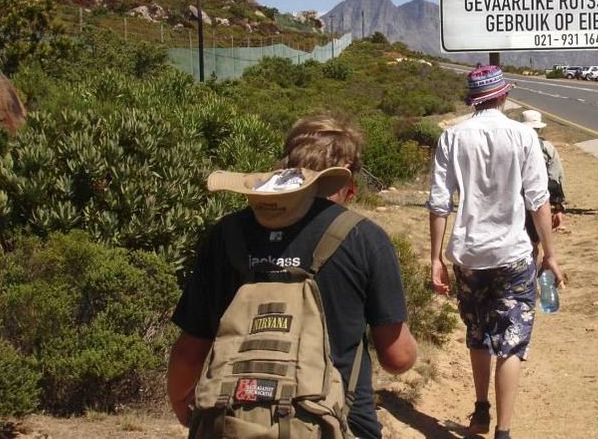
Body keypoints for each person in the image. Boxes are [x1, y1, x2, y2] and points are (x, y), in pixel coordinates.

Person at [167, 114, 418, 439]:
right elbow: (397, 357)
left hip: (231, 421)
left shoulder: (226, 235)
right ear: (346, 184)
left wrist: (181, 403)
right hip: (338, 423)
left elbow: (190, 348)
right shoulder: (363, 237)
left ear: (285, 168)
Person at [427, 65, 565, 439]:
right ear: (503, 95)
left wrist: (435, 258)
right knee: (512, 341)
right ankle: (503, 431)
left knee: (478, 332)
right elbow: (539, 200)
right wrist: (549, 254)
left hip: (468, 256)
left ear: (474, 100)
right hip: (514, 254)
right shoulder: (523, 136)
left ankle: (481, 408)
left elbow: (440, 203)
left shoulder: (452, 137)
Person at [520, 109, 567, 253]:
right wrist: (558, 204)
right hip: (540, 199)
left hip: (517, 200)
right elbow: (556, 177)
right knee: (536, 240)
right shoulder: (547, 147)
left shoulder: (513, 145)